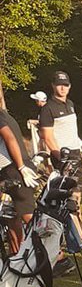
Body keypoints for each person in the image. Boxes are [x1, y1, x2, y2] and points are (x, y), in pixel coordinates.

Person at [38, 71, 82, 250]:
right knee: (71, 198)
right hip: (64, 157)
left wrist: (79, 143)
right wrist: (62, 158)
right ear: (53, 85)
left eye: (66, 84)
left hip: (75, 154)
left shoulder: (70, 104)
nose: (63, 87)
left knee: (77, 197)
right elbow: (47, 136)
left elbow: (70, 131)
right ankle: (78, 239)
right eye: (59, 84)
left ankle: (76, 238)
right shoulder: (48, 108)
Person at [0, 102, 39, 255]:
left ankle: (57, 258)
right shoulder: (5, 115)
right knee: (11, 216)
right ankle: (15, 255)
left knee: (28, 215)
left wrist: (21, 167)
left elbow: (10, 139)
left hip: (14, 170)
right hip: (12, 170)